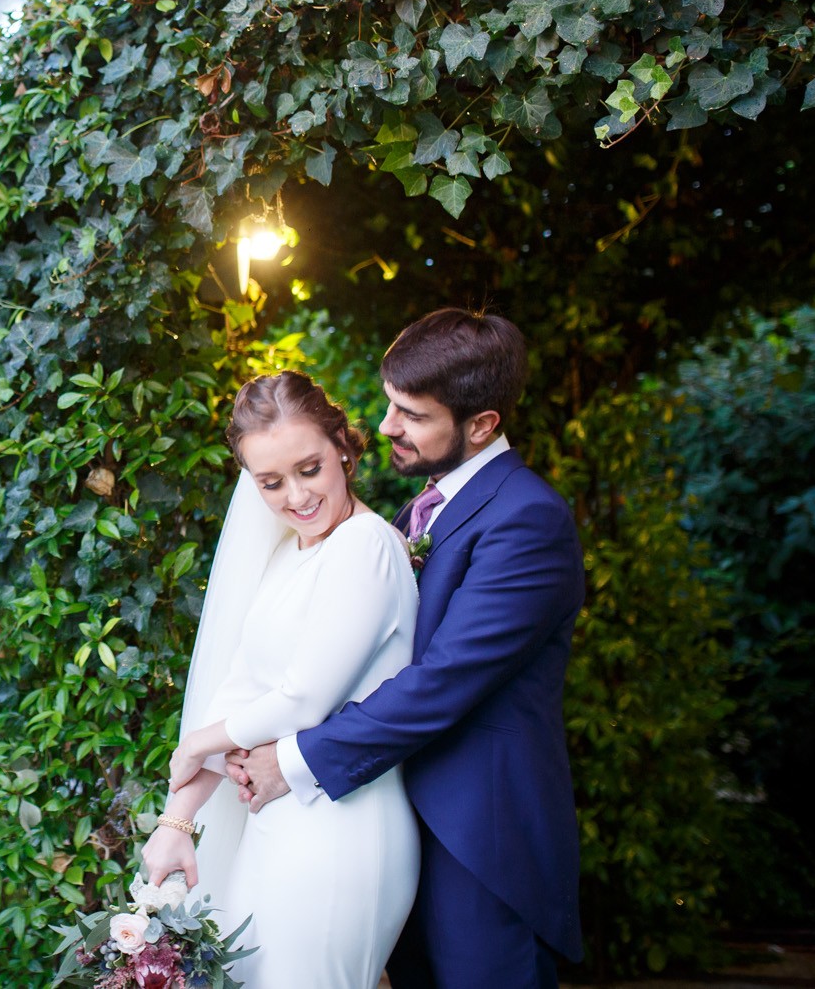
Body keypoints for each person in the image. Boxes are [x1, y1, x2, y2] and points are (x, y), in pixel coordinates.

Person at [225, 309, 586, 988]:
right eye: (391, 403)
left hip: (482, 847)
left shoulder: (528, 519)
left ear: (480, 424)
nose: (387, 425)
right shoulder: (421, 511)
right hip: (401, 826)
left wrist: (294, 760)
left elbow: (444, 680)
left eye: (412, 413)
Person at [140, 372, 420, 988]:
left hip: (342, 828)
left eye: (310, 468)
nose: (297, 496)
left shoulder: (365, 546)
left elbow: (304, 697)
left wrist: (196, 743)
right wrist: (176, 822)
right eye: (271, 482)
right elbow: (241, 690)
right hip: (274, 823)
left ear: (343, 449)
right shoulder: (287, 557)